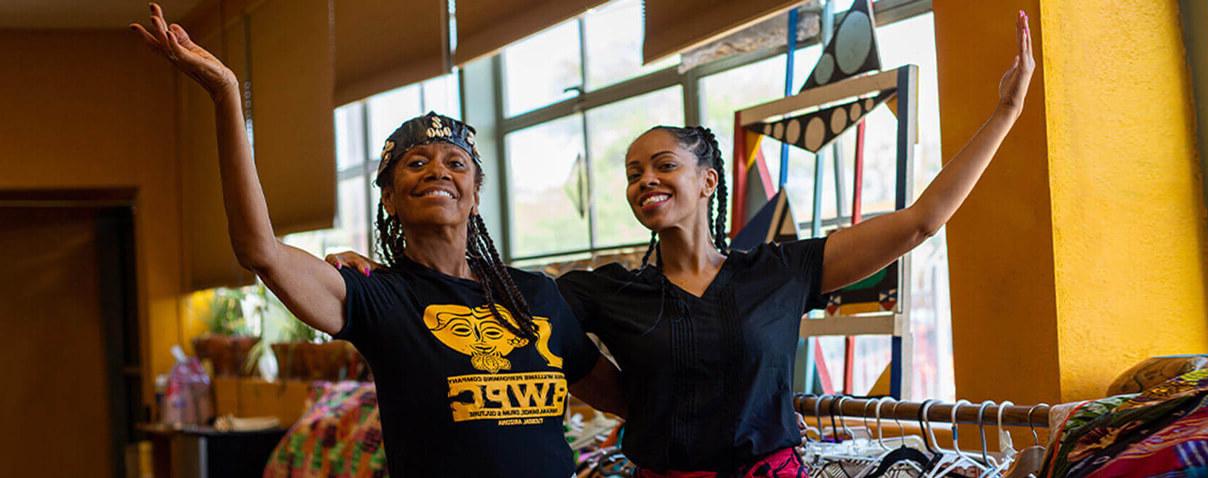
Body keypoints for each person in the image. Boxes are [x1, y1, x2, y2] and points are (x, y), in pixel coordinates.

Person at [331, 9, 1036, 477]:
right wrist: (369, 273)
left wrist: (1004, 112)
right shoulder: (595, 291)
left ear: (707, 181)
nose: (645, 181)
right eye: (633, 173)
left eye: (663, 166)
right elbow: (482, 294)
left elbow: (920, 222)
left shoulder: (782, 271)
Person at [131, 4, 620, 477]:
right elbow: (260, 250)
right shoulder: (379, 295)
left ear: (475, 195)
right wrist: (227, 96)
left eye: (455, 162)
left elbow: (627, 401)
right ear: (389, 198)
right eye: (416, 162)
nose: (437, 171)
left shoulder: (535, 295)